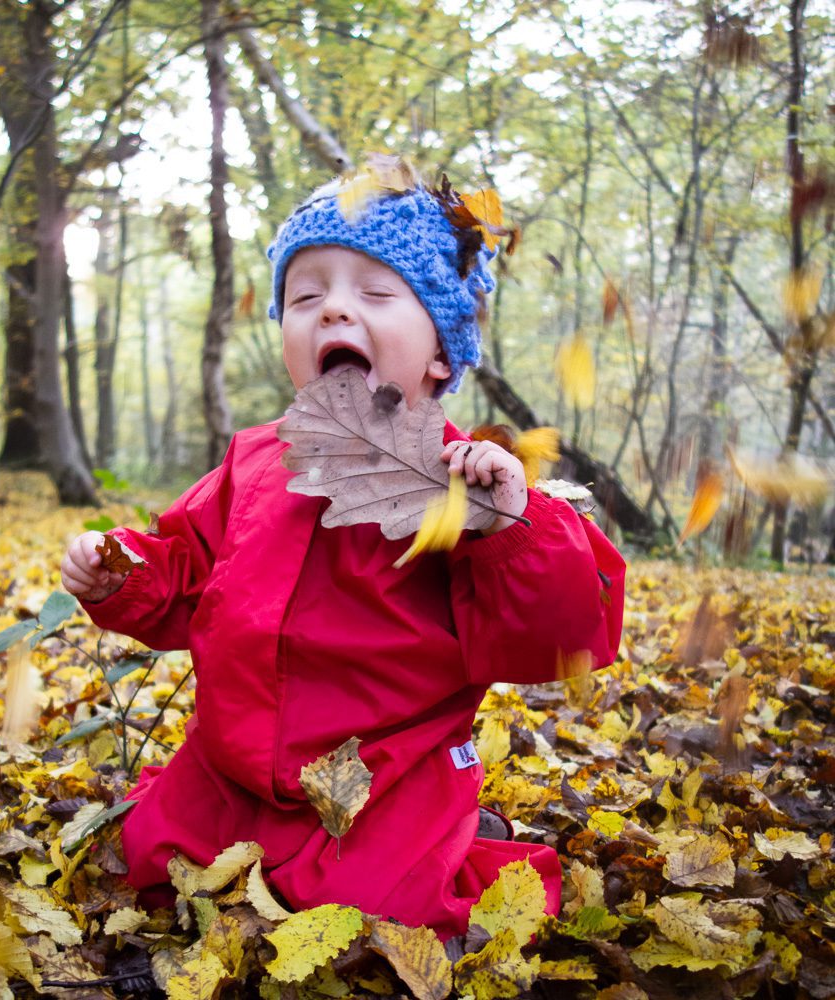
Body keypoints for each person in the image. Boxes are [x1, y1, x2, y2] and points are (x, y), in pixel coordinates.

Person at [61, 162, 626, 940]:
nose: (332, 310)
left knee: (384, 912)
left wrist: (507, 528)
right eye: (305, 296)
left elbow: (558, 634)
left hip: (385, 780)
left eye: (375, 292)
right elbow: (186, 573)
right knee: (150, 858)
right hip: (230, 765)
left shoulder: (461, 477)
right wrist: (118, 571)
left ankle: (465, 844)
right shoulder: (255, 461)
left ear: (438, 350)